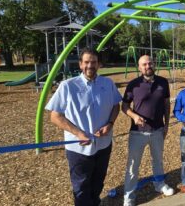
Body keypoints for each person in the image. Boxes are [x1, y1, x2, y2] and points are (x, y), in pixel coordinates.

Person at [45, 48, 121, 206]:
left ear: (99, 64)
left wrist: (110, 124)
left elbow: (116, 106)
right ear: (80, 64)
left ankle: (95, 201)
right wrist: (78, 133)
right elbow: (55, 116)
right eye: (86, 62)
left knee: (98, 181)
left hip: (103, 144)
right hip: (79, 149)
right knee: (81, 187)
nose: (90, 66)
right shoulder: (68, 86)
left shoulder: (108, 84)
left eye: (93, 62)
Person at [122, 55, 174, 206]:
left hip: (157, 130)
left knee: (158, 161)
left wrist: (166, 125)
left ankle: (159, 184)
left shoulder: (163, 82)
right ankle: (129, 198)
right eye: (144, 64)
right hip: (137, 132)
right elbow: (124, 107)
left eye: (150, 63)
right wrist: (134, 116)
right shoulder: (133, 85)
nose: (147, 66)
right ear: (139, 68)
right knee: (132, 166)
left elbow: (166, 105)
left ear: (154, 63)